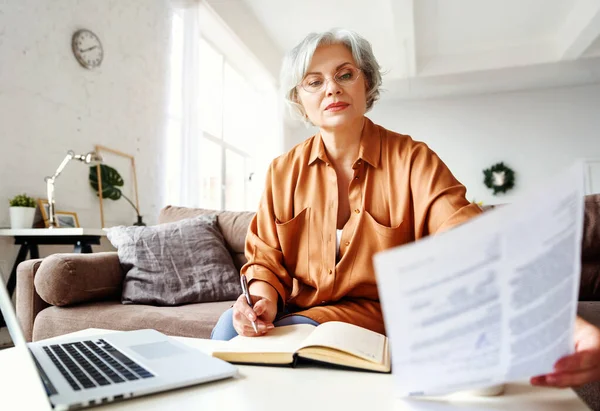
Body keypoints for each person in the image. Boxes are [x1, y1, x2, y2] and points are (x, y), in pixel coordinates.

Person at [210, 28, 600, 389]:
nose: (331, 89)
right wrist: (260, 301)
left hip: (378, 319)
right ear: (300, 100)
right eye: (314, 81)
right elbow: (264, 259)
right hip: (295, 311)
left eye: (345, 75)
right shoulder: (282, 171)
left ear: (366, 84)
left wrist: (558, 320)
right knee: (229, 329)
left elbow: (469, 238)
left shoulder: (413, 160)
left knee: (287, 343)